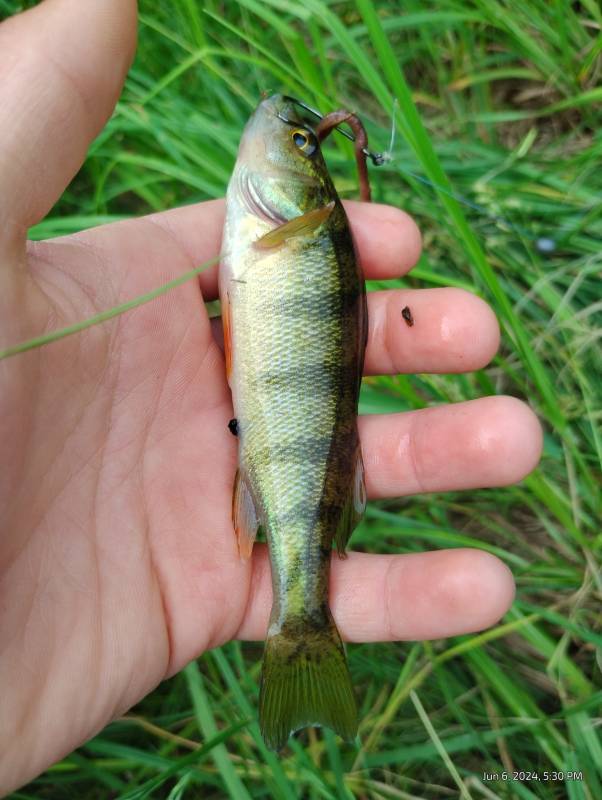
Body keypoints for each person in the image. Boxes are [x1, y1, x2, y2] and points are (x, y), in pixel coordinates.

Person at [0, 0, 543, 793]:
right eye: (301, 138)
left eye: (298, 142)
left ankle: (304, 622)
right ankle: (303, 626)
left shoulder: (300, 225)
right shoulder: (289, 227)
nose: (285, 130)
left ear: (305, 183)